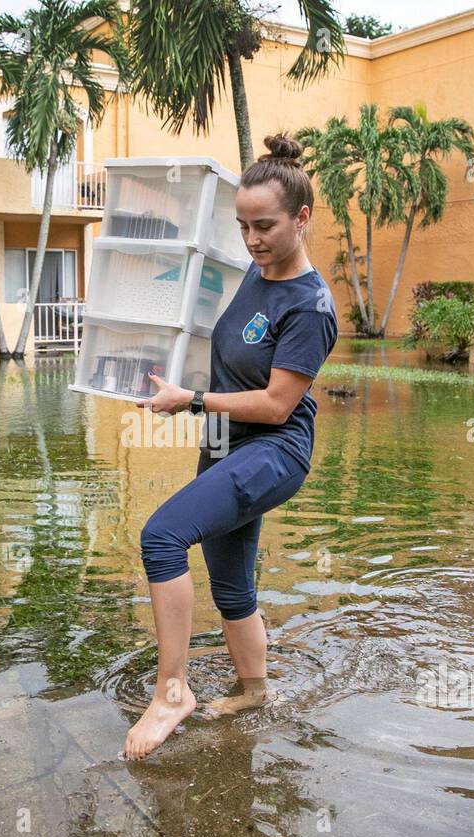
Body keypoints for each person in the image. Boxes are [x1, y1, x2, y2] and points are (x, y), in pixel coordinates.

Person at [125, 133, 339, 760]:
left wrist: (189, 401)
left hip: (272, 450)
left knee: (162, 536)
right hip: (224, 442)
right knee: (231, 582)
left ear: (302, 218)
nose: (252, 239)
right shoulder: (256, 270)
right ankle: (255, 690)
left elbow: (277, 403)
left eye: (265, 226)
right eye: (243, 226)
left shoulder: (310, 306)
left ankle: (172, 692)